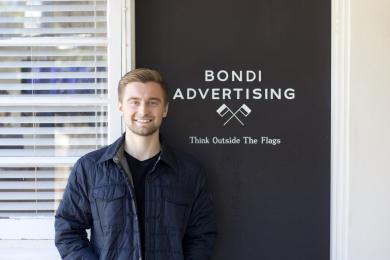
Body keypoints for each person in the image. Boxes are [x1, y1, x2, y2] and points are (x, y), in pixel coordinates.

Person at [55, 68, 217, 260]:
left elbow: (202, 236)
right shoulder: (89, 168)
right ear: (121, 107)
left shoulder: (189, 172)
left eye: (153, 102)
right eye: (135, 102)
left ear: (165, 109)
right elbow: (68, 231)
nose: (143, 110)